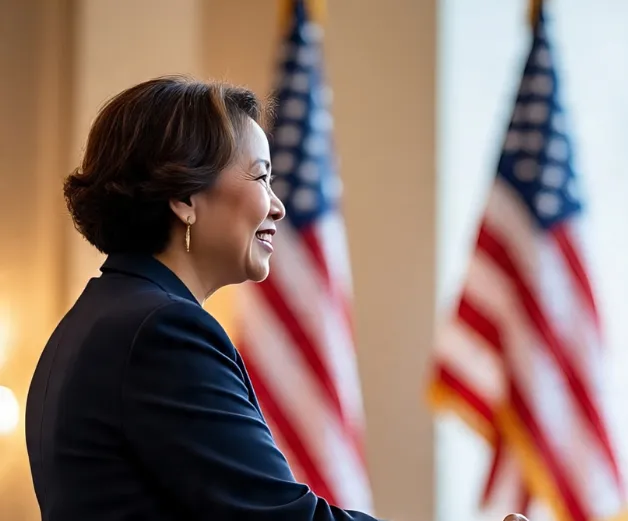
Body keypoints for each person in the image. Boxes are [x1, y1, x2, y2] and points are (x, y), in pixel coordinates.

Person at [25, 76, 380, 521]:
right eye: (261, 177)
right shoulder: (162, 333)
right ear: (184, 195)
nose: (278, 206)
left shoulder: (98, 319)